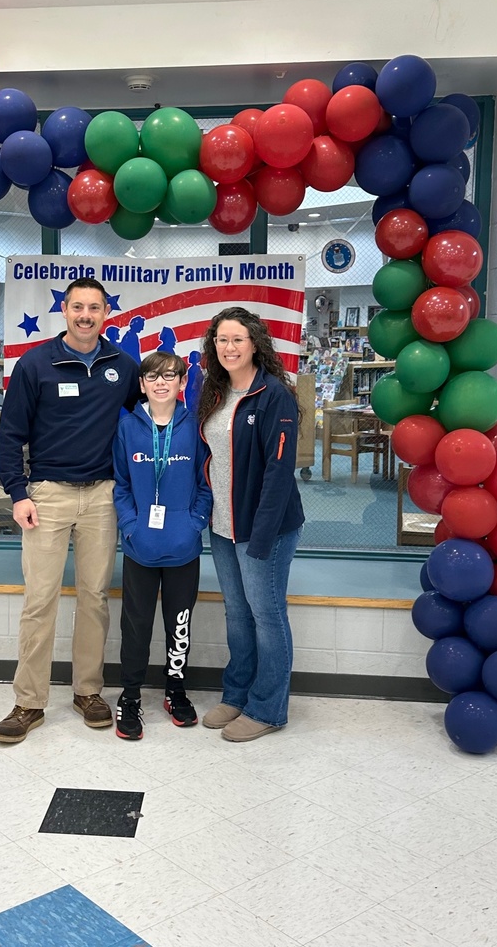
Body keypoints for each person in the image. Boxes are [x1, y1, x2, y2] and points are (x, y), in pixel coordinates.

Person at [0, 278, 140, 743]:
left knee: (95, 598)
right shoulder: (35, 364)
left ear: (105, 314)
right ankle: (28, 702)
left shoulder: (124, 365)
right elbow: (9, 436)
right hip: (46, 496)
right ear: (65, 311)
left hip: (102, 497)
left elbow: (148, 417)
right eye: (77, 307)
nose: (85, 315)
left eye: (94, 308)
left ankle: (88, 692)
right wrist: (18, 493)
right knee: (40, 600)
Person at [198, 306, 304, 742]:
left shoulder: (273, 395)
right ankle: (237, 694)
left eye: (237, 339)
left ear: (256, 343)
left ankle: (268, 708)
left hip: (266, 529)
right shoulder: (215, 391)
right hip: (223, 526)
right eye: (222, 340)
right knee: (238, 614)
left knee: (267, 614)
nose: (229, 347)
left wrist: (260, 538)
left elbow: (279, 473)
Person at [112, 351, 212, 740]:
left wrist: (195, 524)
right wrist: (130, 525)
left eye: (170, 376)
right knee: (135, 625)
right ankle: (131, 695)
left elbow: (206, 485)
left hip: (183, 546)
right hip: (140, 546)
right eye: (152, 376)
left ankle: (175, 689)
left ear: (182, 383)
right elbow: (120, 485)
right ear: (142, 385)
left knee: (179, 623)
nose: (161, 383)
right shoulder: (128, 428)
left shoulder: (194, 427)